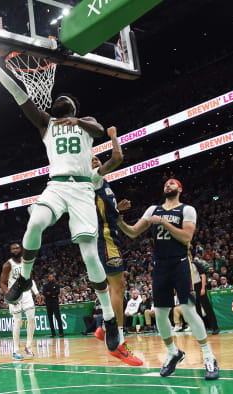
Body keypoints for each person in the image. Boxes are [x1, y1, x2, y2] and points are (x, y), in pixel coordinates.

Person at [0, 61, 119, 355]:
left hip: (83, 188)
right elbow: (20, 96)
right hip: (57, 185)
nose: (60, 98)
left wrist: (79, 122)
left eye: (66, 99)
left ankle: (110, 320)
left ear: (72, 107)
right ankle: (25, 278)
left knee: (89, 255)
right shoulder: (46, 124)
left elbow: (99, 129)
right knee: (34, 223)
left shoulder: (85, 122)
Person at [118, 179, 219, 380]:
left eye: (172, 183)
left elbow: (186, 237)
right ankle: (173, 352)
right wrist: (119, 219)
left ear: (180, 189)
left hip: (181, 263)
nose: (167, 185)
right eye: (165, 183)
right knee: (160, 313)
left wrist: (164, 222)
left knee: (189, 310)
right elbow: (133, 232)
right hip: (161, 266)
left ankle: (209, 356)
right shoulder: (152, 209)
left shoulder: (187, 210)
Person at [89, 130, 143, 365]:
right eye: (90, 160)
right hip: (106, 240)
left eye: (96, 159)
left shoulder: (104, 185)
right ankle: (118, 341)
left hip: (109, 238)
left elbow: (103, 213)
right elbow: (118, 158)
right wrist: (113, 136)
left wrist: (118, 210)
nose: (95, 161)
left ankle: (103, 328)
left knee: (115, 288)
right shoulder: (92, 177)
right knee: (118, 287)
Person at [0, 243, 39, 361]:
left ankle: (28, 346)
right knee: (17, 321)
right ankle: (16, 350)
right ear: (10, 251)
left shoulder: (26, 262)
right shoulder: (7, 265)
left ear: (20, 249)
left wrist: (36, 293)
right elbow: (2, 282)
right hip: (15, 294)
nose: (15, 250)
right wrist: (9, 295)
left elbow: (31, 278)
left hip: (27, 292)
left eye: (17, 248)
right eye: (13, 248)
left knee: (31, 318)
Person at [191, 258, 219, 335]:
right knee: (197, 310)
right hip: (191, 288)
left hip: (199, 286)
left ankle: (215, 328)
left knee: (207, 307)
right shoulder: (184, 266)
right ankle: (201, 329)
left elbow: (203, 276)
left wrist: (203, 288)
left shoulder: (196, 264)